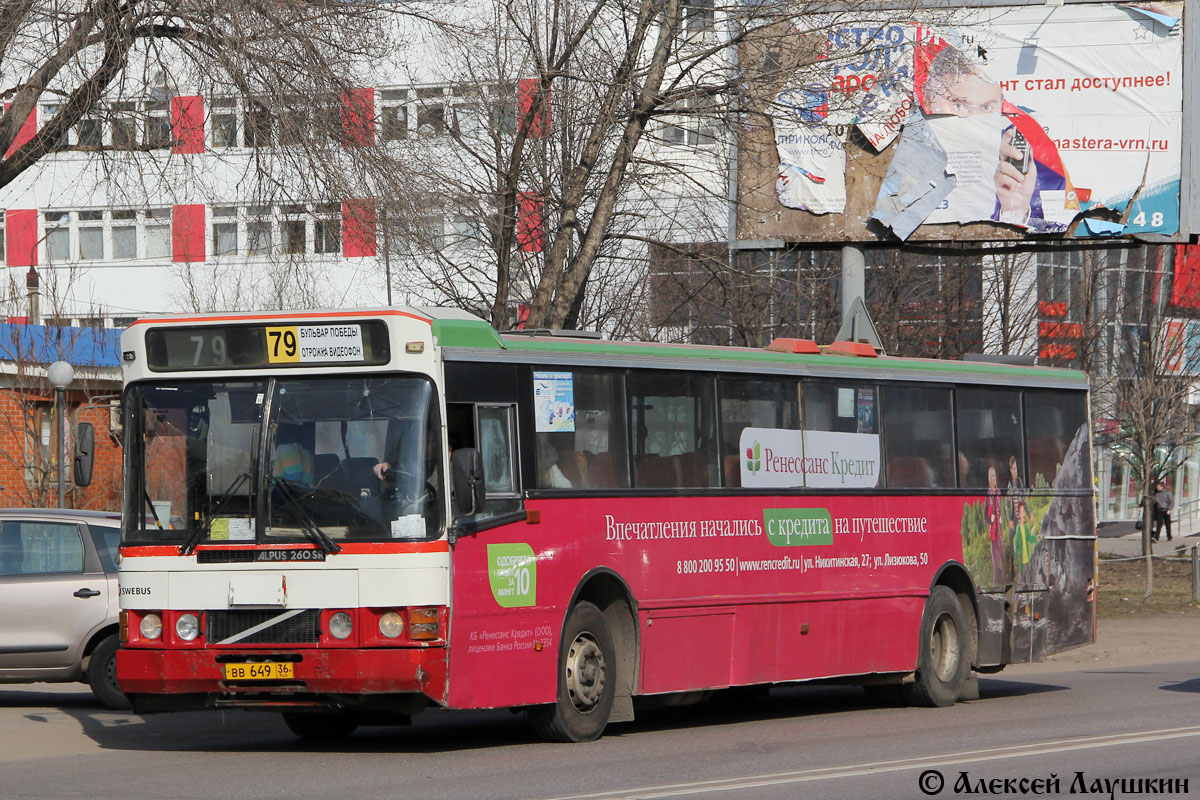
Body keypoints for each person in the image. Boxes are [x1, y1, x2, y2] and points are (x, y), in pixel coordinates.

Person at [986, 466, 1004, 585]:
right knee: (995, 564)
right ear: (989, 478)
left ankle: (1004, 581)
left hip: (999, 531)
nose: (994, 478)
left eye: (995, 475)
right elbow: (985, 514)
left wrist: (1000, 515)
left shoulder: (998, 493)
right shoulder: (988, 494)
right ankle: (995, 585)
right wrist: (989, 519)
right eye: (992, 475)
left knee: (1003, 558)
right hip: (993, 532)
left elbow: (1000, 507)